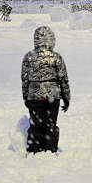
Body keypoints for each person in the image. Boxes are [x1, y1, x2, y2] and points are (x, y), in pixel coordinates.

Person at [21, 25, 70, 154]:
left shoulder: (29, 57)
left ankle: (34, 149)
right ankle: (50, 148)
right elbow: (63, 79)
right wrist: (66, 97)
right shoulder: (56, 57)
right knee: (50, 124)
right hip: (52, 95)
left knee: (36, 124)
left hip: (34, 95)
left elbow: (25, 79)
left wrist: (26, 96)